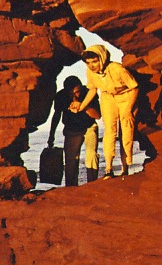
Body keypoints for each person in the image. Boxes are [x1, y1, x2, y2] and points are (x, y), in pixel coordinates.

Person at [71, 45, 139, 180]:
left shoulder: (117, 69)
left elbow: (134, 87)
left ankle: (125, 168)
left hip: (126, 96)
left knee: (125, 128)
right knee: (110, 131)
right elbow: (92, 90)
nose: (91, 65)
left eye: (94, 61)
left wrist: (128, 109)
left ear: (102, 58)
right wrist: (81, 107)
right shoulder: (90, 72)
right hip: (108, 97)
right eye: (88, 62)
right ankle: (109, 169)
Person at [47, 76, 101, 186]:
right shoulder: (60, 96)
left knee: (91, 154)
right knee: (71, 161)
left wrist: (84, 107)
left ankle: (93, 184)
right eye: (71, 93)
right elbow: (56, 116)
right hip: (71, 130)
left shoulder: (89, 93)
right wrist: (51, 135)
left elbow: (98, 116)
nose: (75, 96)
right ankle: (71, 188)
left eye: (77, 92)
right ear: (66, 91)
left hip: (89, 126)